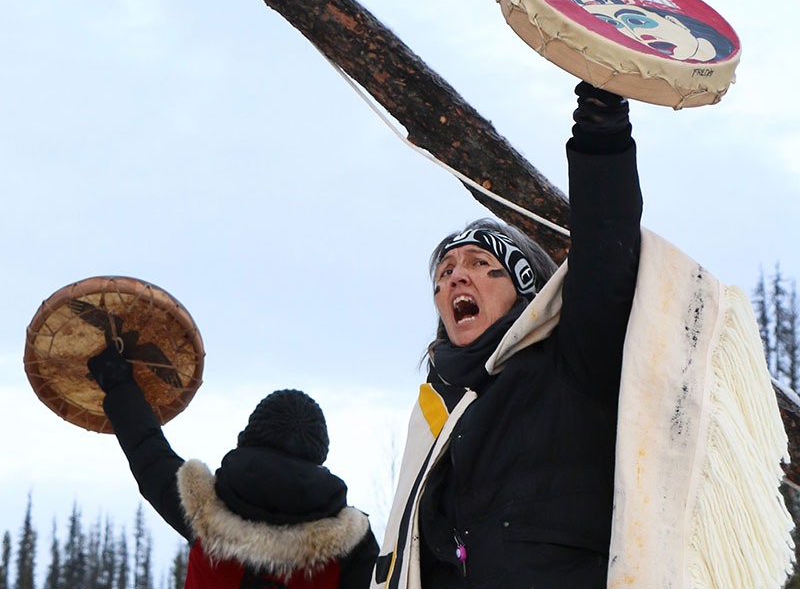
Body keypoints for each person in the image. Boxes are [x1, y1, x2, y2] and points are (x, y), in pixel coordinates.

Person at [373, 81, 643, 589]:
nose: (455, 276)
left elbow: (606, 252)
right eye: (446, 270)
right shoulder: (437, 417)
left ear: (522, 289)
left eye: (479, 263)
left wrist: (602, 123)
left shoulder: (569, 367)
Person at [88, 347, 378, 589]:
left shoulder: (203, 509)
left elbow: (147, 451)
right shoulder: (352, 544)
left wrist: (118, 382)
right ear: (318, 460)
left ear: (245, 441)